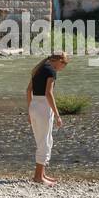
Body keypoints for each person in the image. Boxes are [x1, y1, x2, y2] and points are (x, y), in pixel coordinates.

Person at [26, 50, 69, 185]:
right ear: (59, 61)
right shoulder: (51, 71)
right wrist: (57, 115)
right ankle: (38, 177)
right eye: (64, 64)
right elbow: (49, 94)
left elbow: (28, 90)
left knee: (43, 140)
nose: (63, 68)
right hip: (44, 107)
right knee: (45, 141)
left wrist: (29, 110)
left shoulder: (38, 69)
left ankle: (42, 174)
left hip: (34, 106)